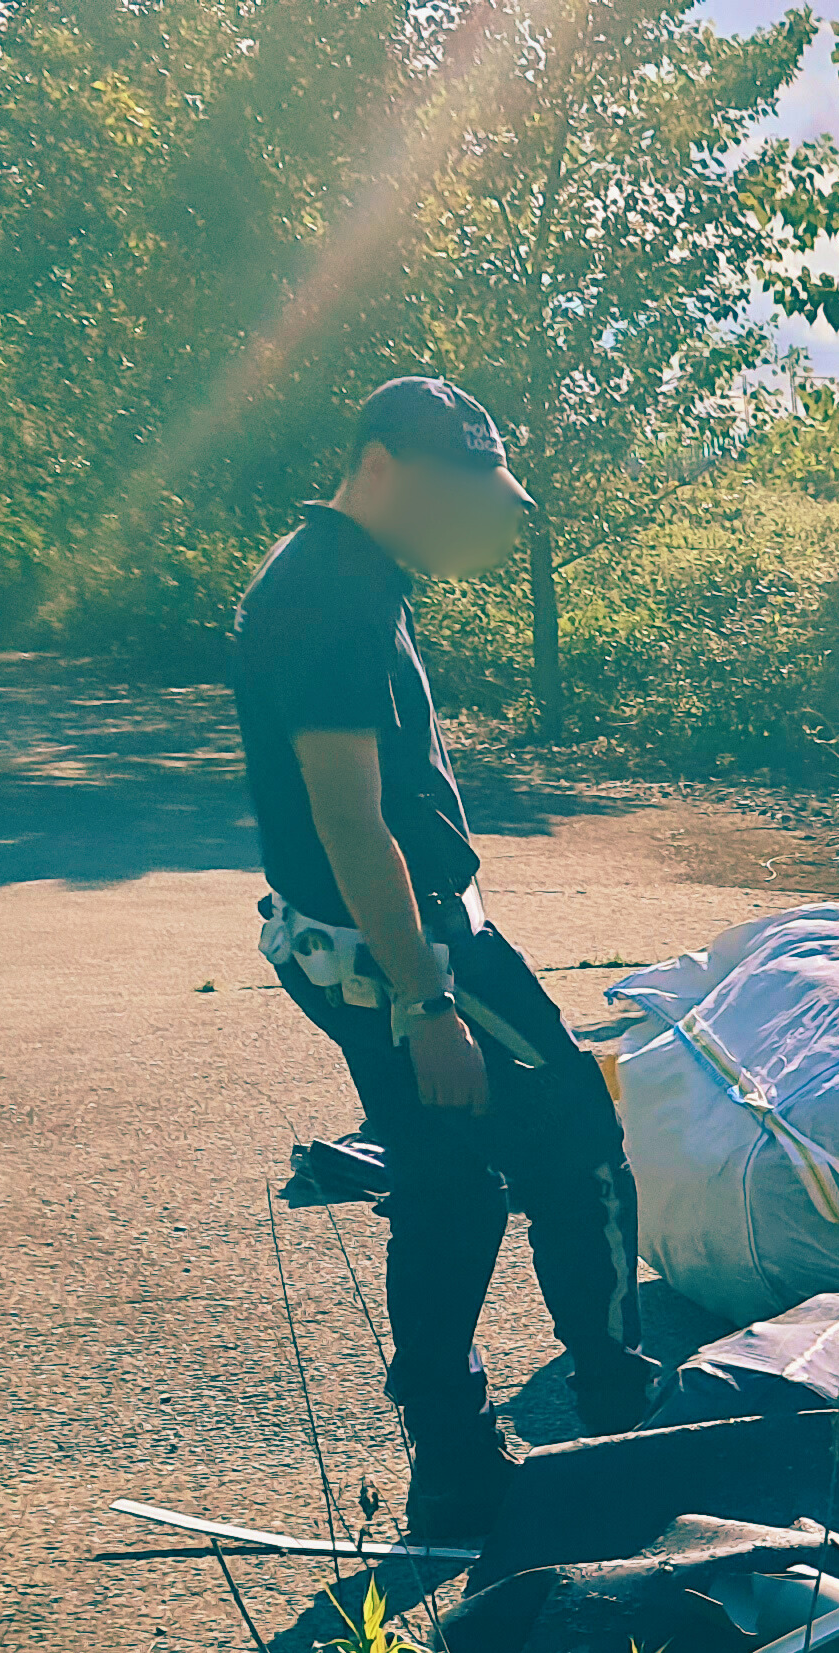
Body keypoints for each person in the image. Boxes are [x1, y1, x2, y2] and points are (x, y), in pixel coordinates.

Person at [231, 375, 655, 1543]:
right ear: (380, 466)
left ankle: (458, 1459)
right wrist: (426, 1001)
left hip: (367, 942)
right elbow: (348, 816)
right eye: (458, 493)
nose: (477, 519)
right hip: (404, 951)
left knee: (449, 1186)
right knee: (579, 1147)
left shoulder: (342, 577)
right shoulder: (327, 600)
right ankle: (617, 1404)